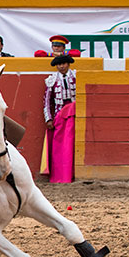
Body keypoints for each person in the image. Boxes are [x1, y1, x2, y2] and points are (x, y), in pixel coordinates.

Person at [41, 54, 76, 183]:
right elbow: (46, 102)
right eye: (59, 64)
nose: (61, 66)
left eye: (64, 64)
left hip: (75, 115)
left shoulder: (76, 77)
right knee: (60, 147)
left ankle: (72, 174)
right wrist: (48, 119)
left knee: (72, 145)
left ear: (68, 64)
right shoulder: (52, 80)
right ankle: (60, 176)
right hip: (59, 115)